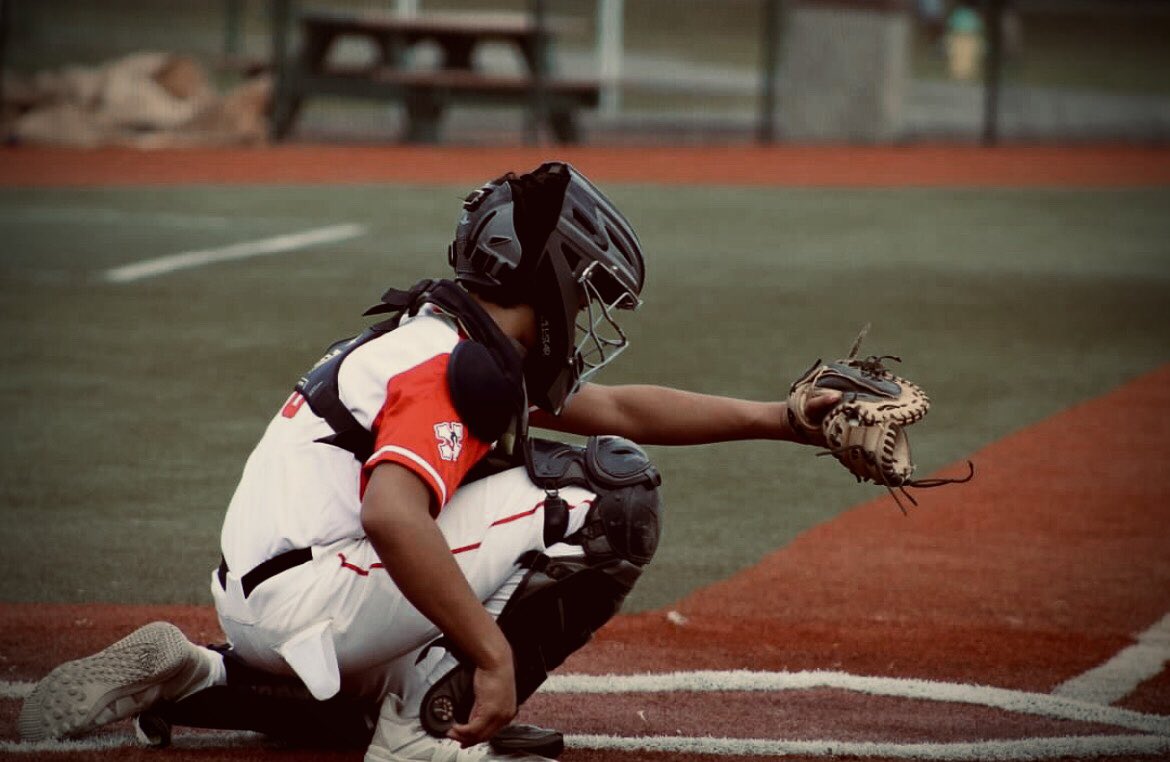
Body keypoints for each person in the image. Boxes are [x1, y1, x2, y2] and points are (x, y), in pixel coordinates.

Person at [19, 161, 840, 761]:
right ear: (543, 279)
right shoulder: (452, 365)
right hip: (321, 593)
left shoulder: (442, 338)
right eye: (582, 291)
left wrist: (783, 418)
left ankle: (193, 674)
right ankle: (425, 732)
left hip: (276, 601)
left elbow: (623, 404)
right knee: (609, 497)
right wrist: (488, 656)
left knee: (357, 698)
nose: (586, 311)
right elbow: (390, 513)